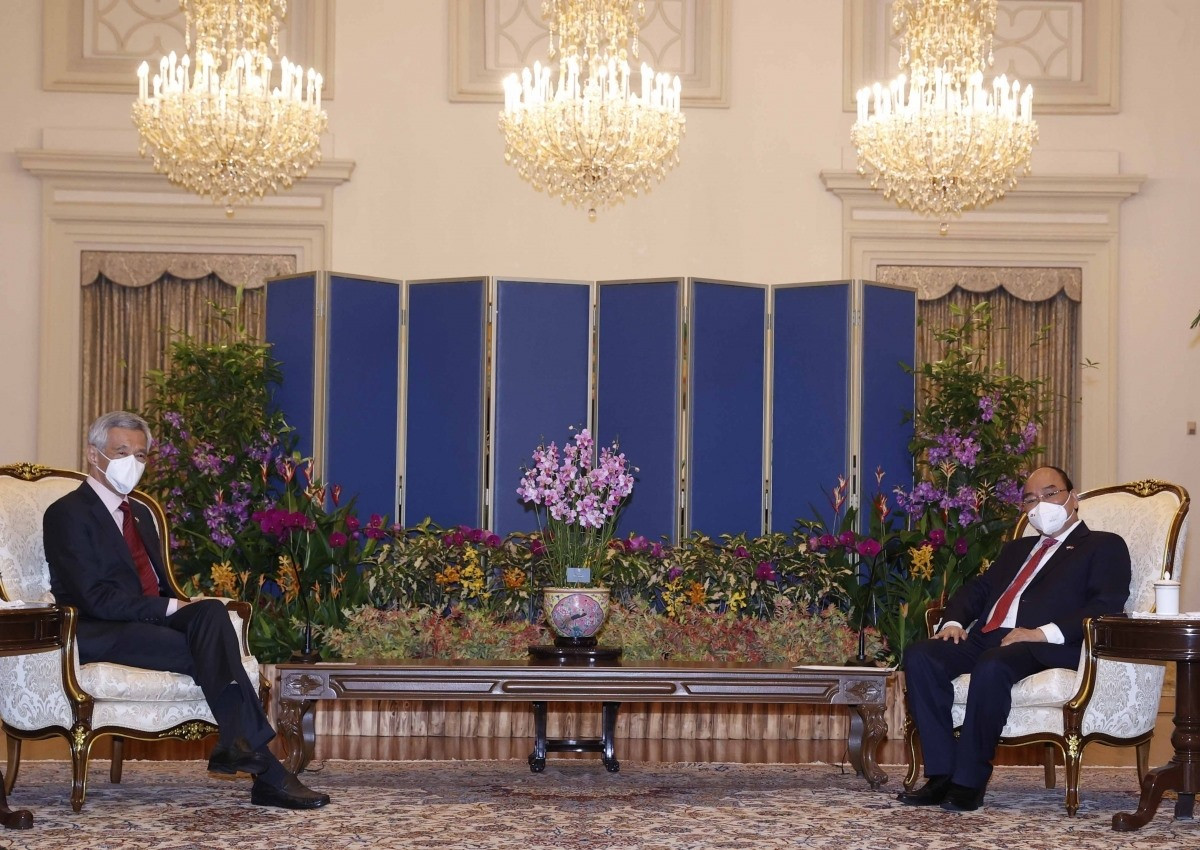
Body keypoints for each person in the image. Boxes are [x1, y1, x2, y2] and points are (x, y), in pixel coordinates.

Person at [43, 411, 329, 810]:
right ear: (94, 455)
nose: (133, 463)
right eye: (121, 452)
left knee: (211, 613)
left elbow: (160, 586)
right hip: (96, 628)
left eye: (141, 456)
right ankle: (266, 769)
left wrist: (184, 604)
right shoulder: (67, 513)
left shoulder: (139, 512)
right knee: (208, 650)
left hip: (143, 619)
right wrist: (171, 607)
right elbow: (93, 598)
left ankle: (243, 748)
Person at [898, 465, 1131, 812]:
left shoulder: (1103, 545)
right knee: (920, 655)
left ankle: (969, 781)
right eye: (1030, 499)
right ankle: (942, 774)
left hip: (1045, 643)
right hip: (987, 636)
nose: (1041, 504)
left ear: (1074, 497)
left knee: (993, 665)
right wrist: (953, 620)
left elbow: (1106, 605)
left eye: (1050, 493)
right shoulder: (1016, 550)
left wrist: (1039, 633)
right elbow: (978, 590)